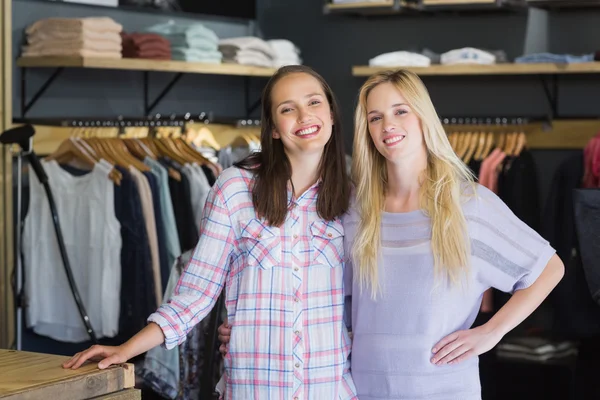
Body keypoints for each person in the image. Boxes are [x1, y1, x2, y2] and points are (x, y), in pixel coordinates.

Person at [219, 69, 565, 400]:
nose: (388, 125)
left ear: (422, 117)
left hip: (444, 390)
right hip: (362, 388)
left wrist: (492, 332)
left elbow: (549, 268)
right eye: (375, 117)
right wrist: (253, 326)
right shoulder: (355, 208)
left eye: (400, 111)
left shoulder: (468, 205)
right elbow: (318, 292)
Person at [62, 65, 358, 400]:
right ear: (274, 129)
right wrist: (127, 349)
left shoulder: (354, 198)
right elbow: (197, 292)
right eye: (287, 108)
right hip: (254, 390)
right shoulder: (235, 188)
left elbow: (363, 301)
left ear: (332, 114)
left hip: (331, 388)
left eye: (314, 102)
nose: (304, 116)